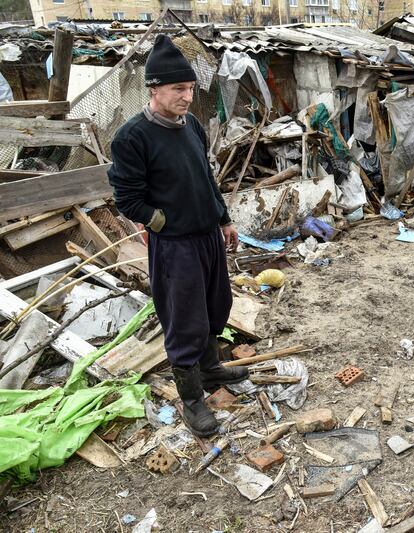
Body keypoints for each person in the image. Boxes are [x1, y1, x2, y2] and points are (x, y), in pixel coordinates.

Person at [107, 35, 248, 437]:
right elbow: (127, 198)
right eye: (178, 89)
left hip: (207, 237)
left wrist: (223, 219)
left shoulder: (193, 128)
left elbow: (207, 178)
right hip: (176, 246)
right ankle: (191, 399)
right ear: (154, 89)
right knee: (183, 319)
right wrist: (162, 224)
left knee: (215, 304)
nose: (188, 96)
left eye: (189, 88)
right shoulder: (132, 137)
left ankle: (210, 368)